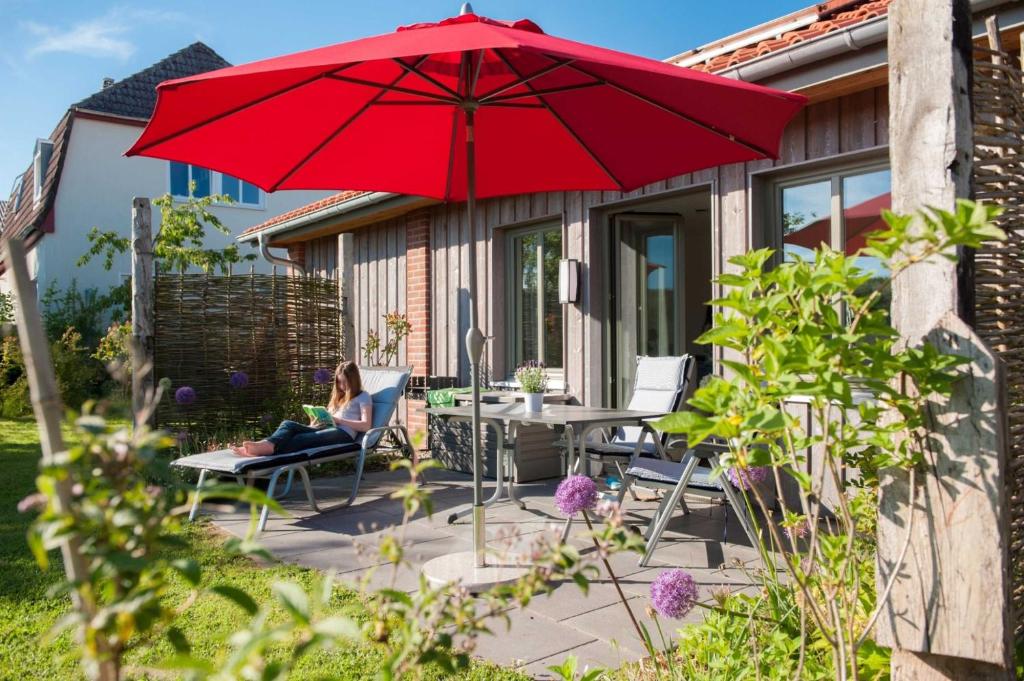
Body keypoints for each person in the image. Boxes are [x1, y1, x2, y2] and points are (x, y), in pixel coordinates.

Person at [233, 361, 373, 457]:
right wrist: (314, 421)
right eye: (339, 382)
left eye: (345, 382)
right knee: (288, 424)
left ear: (353, 380)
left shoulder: (363, 396)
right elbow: (329, 419)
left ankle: (264, 449)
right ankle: (265, 445)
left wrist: (339, 420)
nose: (341, 386)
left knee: (300, 439)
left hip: (343, 434)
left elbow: (366, 425)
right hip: (326, 428)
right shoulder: (338, 397)